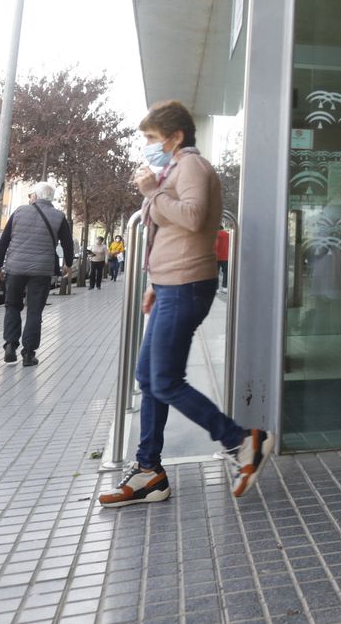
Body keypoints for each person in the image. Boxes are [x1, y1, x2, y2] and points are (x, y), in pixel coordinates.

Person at [100, 99, 270, 508]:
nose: (147, 145)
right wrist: (155, 283)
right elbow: (172, 233)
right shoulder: (174, 168)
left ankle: (242, 441)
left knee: (165, 380)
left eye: (152, 138)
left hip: (188, 286)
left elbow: (194, 218)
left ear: (176, 137)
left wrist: (152, 193)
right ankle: (149, 472)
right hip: (170, 286)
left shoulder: (192, 166)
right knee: (148, 376)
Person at [0, 182, 73, 367]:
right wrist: (68, 264)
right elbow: (68, 245)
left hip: (15, 269)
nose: (30, 197)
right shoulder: (59, 217)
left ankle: (10, 346)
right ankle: (29, 354)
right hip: (42, 271)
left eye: (31, 194)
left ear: (35, 196)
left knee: (12, 306)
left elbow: (3, 242)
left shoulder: (19, 212)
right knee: (35, 311)